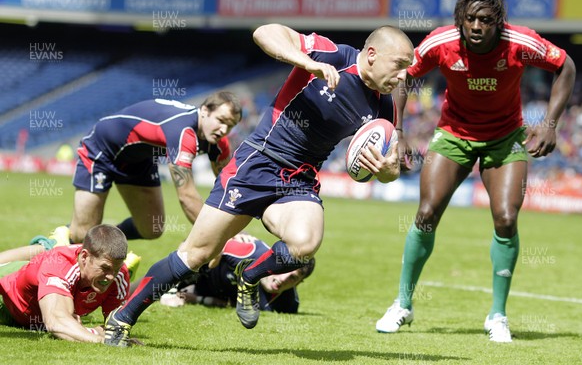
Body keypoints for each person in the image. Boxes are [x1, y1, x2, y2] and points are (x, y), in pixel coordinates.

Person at [101, 23, 414, 346]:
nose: (404, 76)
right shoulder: (331, 54)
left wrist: (387, 171)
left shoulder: (383, 107)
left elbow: (385, 170)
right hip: (257, 163)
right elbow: (264, 32)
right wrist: (306, 62)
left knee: (305, 244)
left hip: (299, 180)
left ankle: (248, 276)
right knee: (195, 255)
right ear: (373, 55)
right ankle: (121, 318)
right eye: (400, 65)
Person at [375, 0, 576, 343]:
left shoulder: (519, 42)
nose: (476, 26)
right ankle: (403, 304)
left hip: (505, 137)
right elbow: (405, 76)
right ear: (460, 21)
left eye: (485, 20)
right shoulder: (442, 42)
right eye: (469, 19)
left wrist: (549, 123)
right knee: (426, 212)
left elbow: (566, 66)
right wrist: (399, 129)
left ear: (499, 23)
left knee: (506, 217)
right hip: (453, 134)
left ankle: (497, 316)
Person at [32, 92, 242, 253]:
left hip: (138, 161)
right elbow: (187, 196)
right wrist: (219, 237)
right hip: (102, 151)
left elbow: (226, 189)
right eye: (221, 120)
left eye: (230, 125)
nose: (224, 130)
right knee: (80, 236)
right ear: (204, 110)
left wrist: (235, 229)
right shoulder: (183, 132)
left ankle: (102, 236)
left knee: (151, 229)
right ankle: (57, 241)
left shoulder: (219, 143)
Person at [0, 224, 130, 344]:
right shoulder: (58, 265)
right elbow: (56, 322)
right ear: (84, 257)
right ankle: (49, 245)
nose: (111, 276)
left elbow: (115, 327)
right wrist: (100, 340)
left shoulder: (120, 275)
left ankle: (52, 246)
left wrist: (88, 330)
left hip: (33, 315)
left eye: (116, 269)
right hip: (6, 294)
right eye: (105, 268)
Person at [159, 234, 315, 313]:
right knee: (149, 287)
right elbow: (192, 245)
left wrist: (198, 299)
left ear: (298, 283)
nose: (282, 279)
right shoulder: (251, 252)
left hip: (206, 291)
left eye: (293, 277)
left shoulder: (287, 305)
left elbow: (233, 304)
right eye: (284, 271)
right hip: (194, 273)